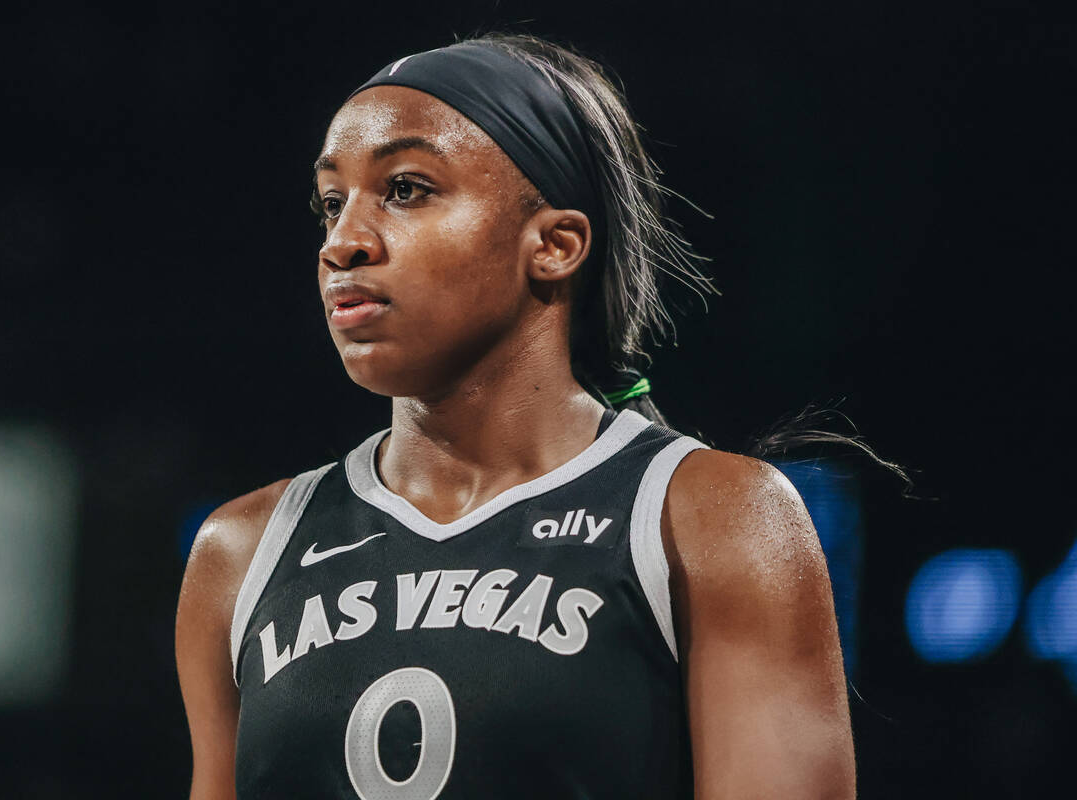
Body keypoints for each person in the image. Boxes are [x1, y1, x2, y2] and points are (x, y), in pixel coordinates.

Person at [176, 33, 855, 799]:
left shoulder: (715, 518)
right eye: (333, 203)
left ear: (555, 245)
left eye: (405, 188)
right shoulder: (241, 552)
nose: (344, 242)